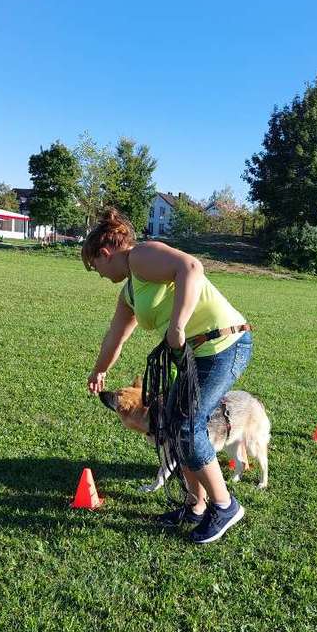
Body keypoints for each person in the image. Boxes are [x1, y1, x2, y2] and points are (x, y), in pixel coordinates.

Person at [82, 208, 253, 544]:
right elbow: (115, 336)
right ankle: (195, 506)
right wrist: (100, 369)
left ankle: (225, 506)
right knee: (175, 426)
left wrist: (177, 324)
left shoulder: (140, 255)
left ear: (105, 254)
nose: (98, 274)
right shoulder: (130, 291)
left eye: (95, 267)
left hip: (223, 345)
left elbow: (191, 268)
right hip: (195, 355)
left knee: (188, 425)